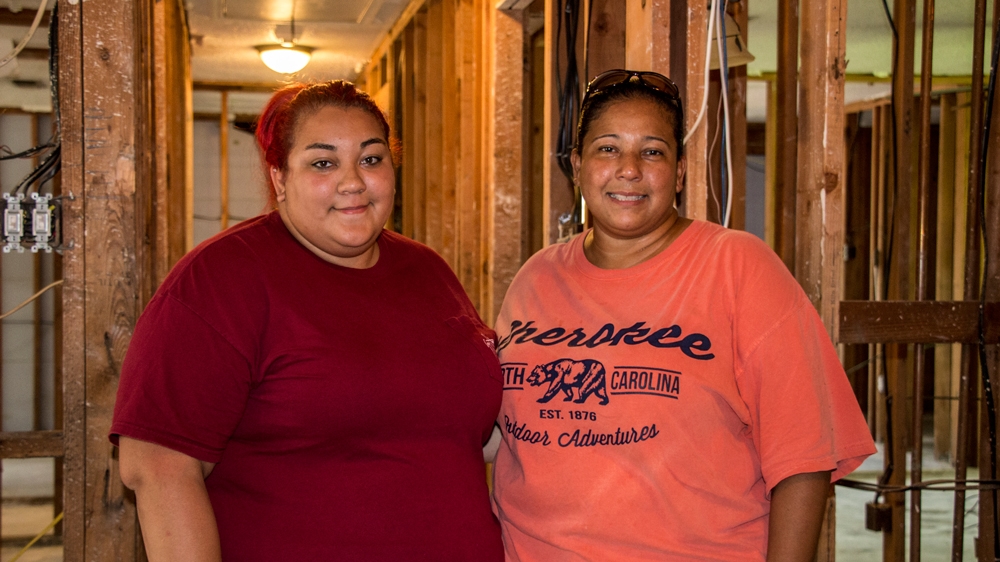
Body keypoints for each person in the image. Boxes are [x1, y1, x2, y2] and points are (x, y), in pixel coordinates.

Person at [489, 69, 876, 561]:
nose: (629, 169)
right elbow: (497, 429)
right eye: (608, 148)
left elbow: (804, 458)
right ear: (578, 165)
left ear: (679, 172)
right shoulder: (536, 277)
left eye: (652, 152)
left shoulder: (737, 267)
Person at [110, 80, 504, 562]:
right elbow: (157, 466)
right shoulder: (222, 279)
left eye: (371, 159)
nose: (353, 181)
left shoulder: (428, 271)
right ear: (279, 179)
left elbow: (464, 430)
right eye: (323, 163)